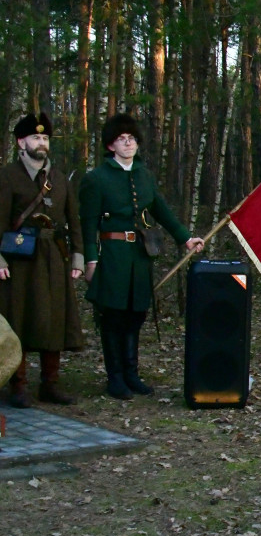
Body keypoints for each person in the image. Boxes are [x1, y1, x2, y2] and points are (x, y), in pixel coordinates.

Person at [78, 113, 204, 399]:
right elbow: (87, 224)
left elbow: (161, 210)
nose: (128, 144)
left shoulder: (144, 175)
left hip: (140, 255)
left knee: (136, 313)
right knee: (113, 316)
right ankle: (116, 378)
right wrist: (90, 260)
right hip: (111, 254)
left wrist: (185, 238)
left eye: (131, 139)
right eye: (121, 140)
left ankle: (132, 374)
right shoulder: (96, 179)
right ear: (111, 146)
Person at [0, 112, 85, 407]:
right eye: (36, 137)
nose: (41, 142)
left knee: (54, 321)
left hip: (53, 258)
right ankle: (18, 385)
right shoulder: (8, 176)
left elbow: (73, 220)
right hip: (20, 259)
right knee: (19, 318)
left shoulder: (59, 178)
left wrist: (77, 257)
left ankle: (50, 384)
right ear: (20, 142)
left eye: (45, 138)